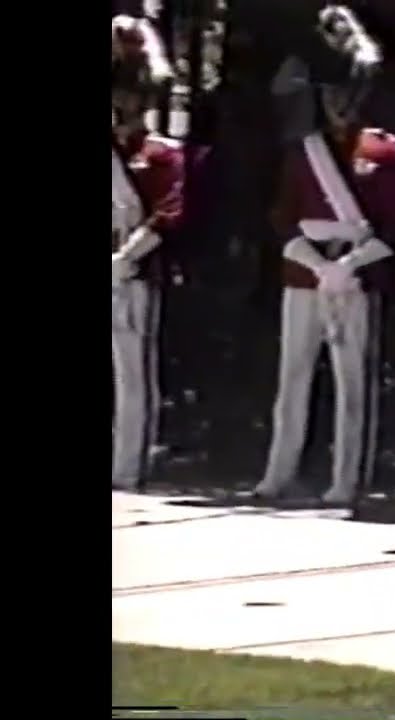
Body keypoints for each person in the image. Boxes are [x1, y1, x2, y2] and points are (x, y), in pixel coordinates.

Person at [254, 19, 395, 505]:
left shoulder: (383, 150)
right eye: (332, 93)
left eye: (347, 93)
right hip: (306, 273)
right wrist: (319, 266)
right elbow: (283, 218)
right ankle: (278, 472)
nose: (339, 104)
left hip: (355, 277)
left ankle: (346, 479)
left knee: (351, 383)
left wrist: (349, 265)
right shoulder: (305, 151)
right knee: (291, 377)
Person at [111, 15, 184, 491]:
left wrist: (125, 258)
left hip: (130, 271)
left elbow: (168, 211)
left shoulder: (161, 154)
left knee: (132, 375)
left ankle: (127, 467)